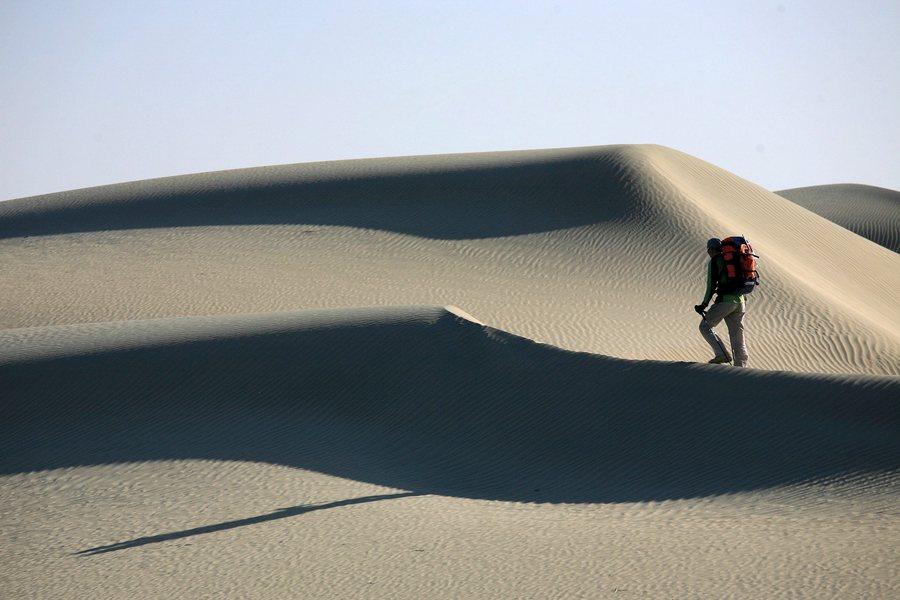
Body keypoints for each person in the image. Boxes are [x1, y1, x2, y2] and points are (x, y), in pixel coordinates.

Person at [694, 238, 749, 367]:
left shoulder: (716, 261)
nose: (709, 253)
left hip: (726, 301)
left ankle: (721, 354)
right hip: (741, 301)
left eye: (708, 250)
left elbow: (711, 285)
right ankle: (741, 366)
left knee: (705, 326)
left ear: (712, 249)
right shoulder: (733, 259)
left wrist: (704, 304)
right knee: (737, 334)